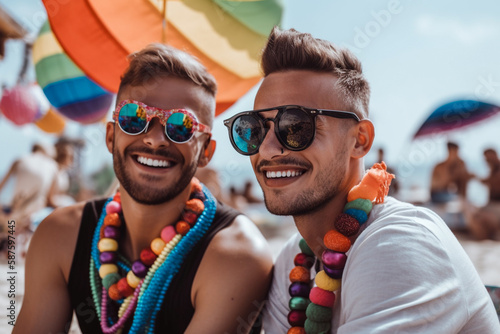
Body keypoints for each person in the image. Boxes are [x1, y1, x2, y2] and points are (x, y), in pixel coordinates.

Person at [223, 27, 499, 333]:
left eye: (295, 125)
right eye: (252, 128)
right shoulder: (293, 258)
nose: (268, 148)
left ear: (360, 140)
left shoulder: (398, 243)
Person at [14, 44, 273, 334]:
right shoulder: (59, 236)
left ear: (205, 152)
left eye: (181, 125)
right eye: (134, 117)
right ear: (111, 136)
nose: (155, 139)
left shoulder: (236, 255)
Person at [468, 148, 500, 240]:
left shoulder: (497, 169)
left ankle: (484, 238)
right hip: (493, 205)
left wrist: (477, 178)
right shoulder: (494, 169)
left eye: (487, 158)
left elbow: (493, 182)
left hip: (496, 206)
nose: (486, 160)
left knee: (476, 217)